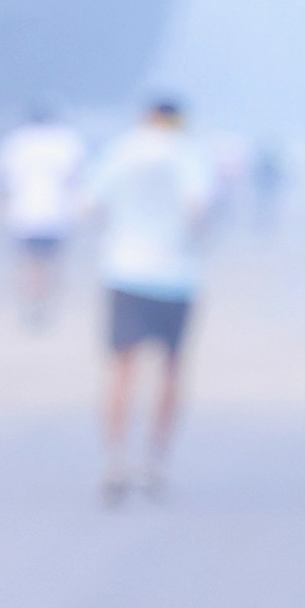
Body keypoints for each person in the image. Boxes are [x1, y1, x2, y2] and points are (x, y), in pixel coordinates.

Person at [76, 94, 218, 502]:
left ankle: (114, 460)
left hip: (125, 270)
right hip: (176, 274)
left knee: (122, 369)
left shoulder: (122, 149)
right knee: (171, 369)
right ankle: (154, 461)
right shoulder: (190, 153)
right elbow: (198, 210)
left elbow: (89, 205)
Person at [0, 101, 88, 330]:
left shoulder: (17, 140)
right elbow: (76, 176)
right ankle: (47, 307)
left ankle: (31, 307)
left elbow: (1, 178)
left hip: (25, 213)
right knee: (53, 263)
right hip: (56, 213)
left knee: (29, 263)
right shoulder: (66, 140)